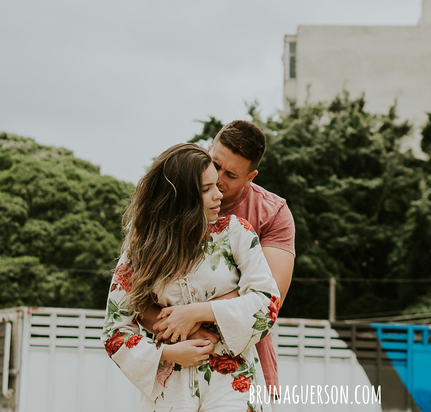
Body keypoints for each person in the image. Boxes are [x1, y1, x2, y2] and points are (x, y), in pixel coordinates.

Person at [103, 143, 280, 411]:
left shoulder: (237, 233)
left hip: (233, 385)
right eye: (206, 189)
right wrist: (167, 354)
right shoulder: (140, 248)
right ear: (181, 198)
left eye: (216, 185)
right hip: (170, 390)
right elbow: (115, 331)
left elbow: (267, 302)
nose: (218, 194)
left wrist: (197, 313)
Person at [141, 120, 295, 398]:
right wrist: (179, 333)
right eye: (216, 164)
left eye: (232, 175)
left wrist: (193, 314)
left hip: (246, 364)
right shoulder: (171, 200)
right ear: (209, 148)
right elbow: (137, 295)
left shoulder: (273, 213)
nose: (220, 179)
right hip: (176, 363)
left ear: (251, 177)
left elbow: (270, 297)